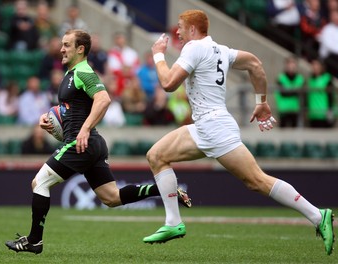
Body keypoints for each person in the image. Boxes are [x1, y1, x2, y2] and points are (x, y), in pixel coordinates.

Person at [142, 10, 335, 256]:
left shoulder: (193, 48)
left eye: (180, 27)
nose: (177, 31)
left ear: (192, 29)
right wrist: (261, 101)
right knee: (156, 156)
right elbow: (255, 64)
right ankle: (172, 223)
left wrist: (158, 55)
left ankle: (319, 215)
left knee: (256, 181)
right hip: (206, 125)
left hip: (214, 128)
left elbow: (169, 83)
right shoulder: (221, 50)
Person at [5, 29, 191, 255]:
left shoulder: (84, 72)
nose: (61, 49)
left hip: (81, 143)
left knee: (39, 183)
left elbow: (103, 99)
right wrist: (51, 120)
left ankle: (34, 241)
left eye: (66, 45)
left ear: (80, 49)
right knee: (112, 198)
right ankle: (164, 190)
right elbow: (72, 113)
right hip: (91, 144)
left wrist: (83, 130)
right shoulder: (70, 75)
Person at [274, 56, 305, 127]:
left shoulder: (300, 78)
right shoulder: (281, 78)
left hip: (295, 109)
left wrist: (288, 91)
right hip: (283, 109)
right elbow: (283, 93)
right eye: (289, 63)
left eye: (293, 63)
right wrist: (294, 91)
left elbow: (301, 93)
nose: (291, 65)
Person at [305, 59, 335, 128]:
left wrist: (330, 112)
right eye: (313, 65)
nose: (315, 67)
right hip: (312, 114)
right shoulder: (310, 79)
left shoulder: (327, 78)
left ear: (321, 66)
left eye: (317, 65)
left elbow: (330, 96)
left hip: (323, 114)